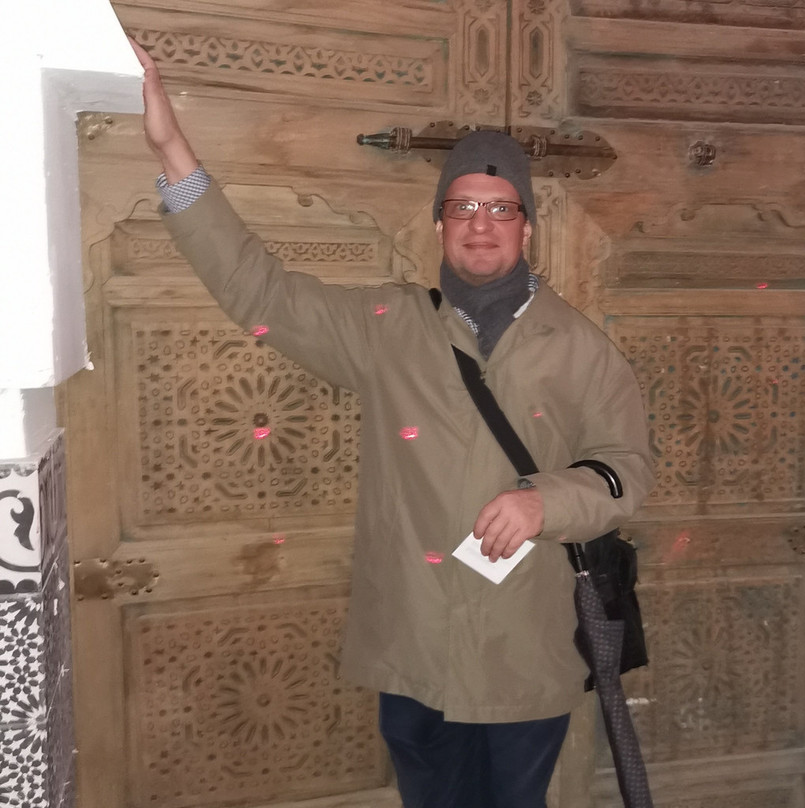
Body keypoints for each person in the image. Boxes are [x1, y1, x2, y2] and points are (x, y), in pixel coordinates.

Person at [132, 39, 654, 808]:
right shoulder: (385, 327)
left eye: (501, 208)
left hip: (524, 651)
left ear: (527, 227)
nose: (481, 225)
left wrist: (547, 501)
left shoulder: (581, 347)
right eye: (462, 207)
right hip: (416, 647)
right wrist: (171, 149)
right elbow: (261, 293)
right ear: (439, 224)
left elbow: (625, 470)